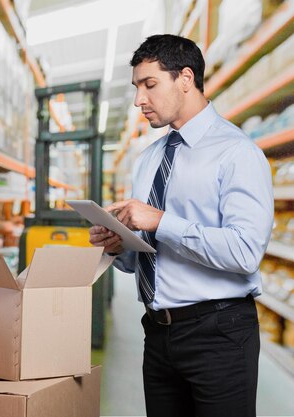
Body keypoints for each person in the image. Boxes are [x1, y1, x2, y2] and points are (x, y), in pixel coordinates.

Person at [89, 34, 273, 417]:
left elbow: (246, 252)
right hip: (157, 333)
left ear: (185, 78)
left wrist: (161, 221)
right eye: (137, 87)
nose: (140, 99)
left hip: (218, 332)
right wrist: (118, 245)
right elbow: (147, 254)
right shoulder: (149, 159)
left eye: (149, 85)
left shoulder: (237, 153)